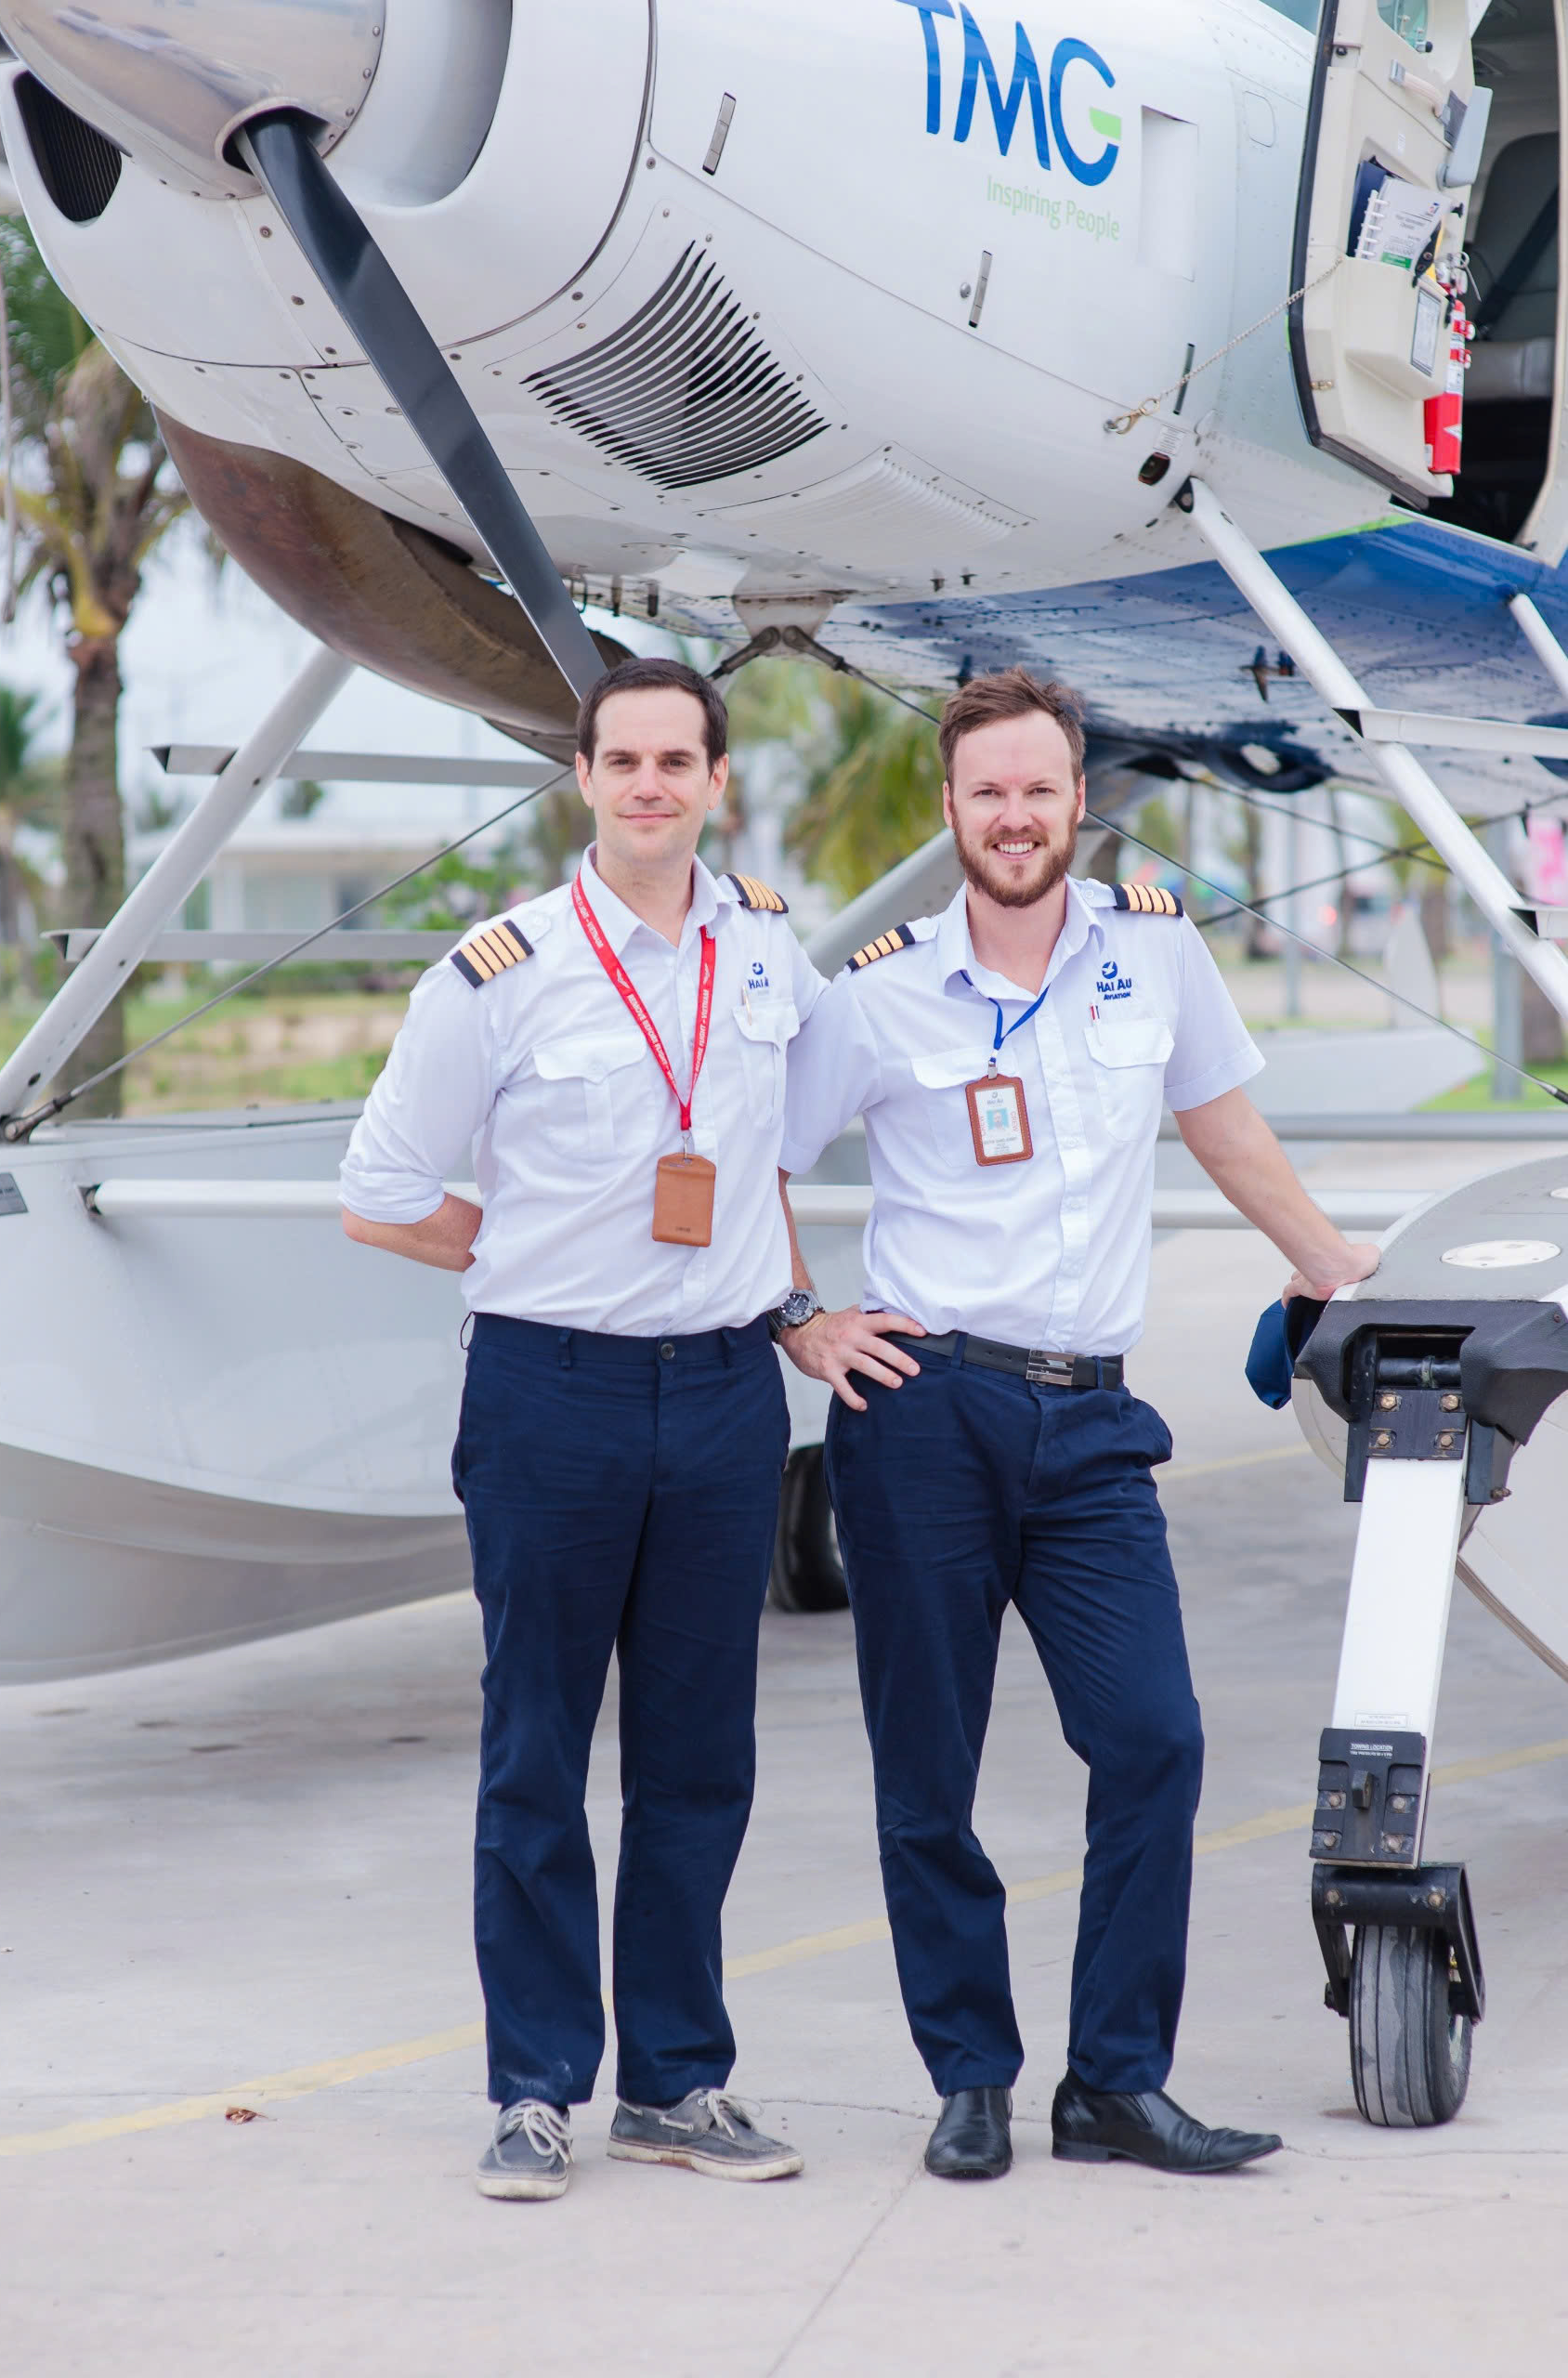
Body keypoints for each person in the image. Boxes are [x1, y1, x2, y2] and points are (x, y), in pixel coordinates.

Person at [776, 667, 1379, 2181]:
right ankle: (970, 2075)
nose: (1017, 815)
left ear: (1076, 803)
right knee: (930, 1767)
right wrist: (803, 1318)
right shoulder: (881, 988)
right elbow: (756, 1157)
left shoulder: (1155, 960)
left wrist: (1337, 1270)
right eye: (989, 792)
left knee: (1154, 1740)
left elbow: (1225, 1128)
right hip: (924, 1410)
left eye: (1041, 789)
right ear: (953, 809)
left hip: (1093, 1421)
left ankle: (1114, 2079)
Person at [339, 656, 827, 2202]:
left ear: (715, 782)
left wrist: (800, 1299)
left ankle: (678, 2084)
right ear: (583, 778)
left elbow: (782, 1151)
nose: (650, 786)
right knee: (538, 1754)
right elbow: (382, 1189)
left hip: (727, 1398)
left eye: (678, 760)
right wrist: (521, 1261)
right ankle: (538, 2087)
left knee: (698, 1763)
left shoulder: (767, 957)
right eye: (623, 760)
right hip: (553, 1397)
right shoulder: (502, 972)